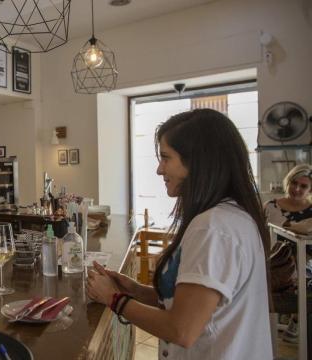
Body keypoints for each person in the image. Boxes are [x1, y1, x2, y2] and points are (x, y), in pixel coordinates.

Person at [86, 109, 272, 359]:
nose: (159, 170)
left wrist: (114, 298)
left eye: (165, 158)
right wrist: (135, 290)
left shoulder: (214, 228)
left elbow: (181, 329)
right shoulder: (226, 218)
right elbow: (195, 303)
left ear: (197, 161)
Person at [263, 164, 312, 344]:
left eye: (304, 186)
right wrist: (303, 226)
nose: (297, 189)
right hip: (276, 262)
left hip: (306, 265)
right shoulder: (272, 206)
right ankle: (297, 318)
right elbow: (289, 228)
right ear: (287, 181)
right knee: (297, 263)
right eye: (294, 183)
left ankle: (297, 319)